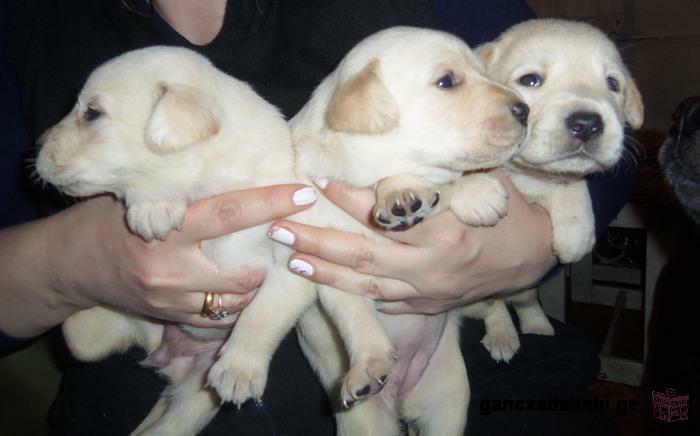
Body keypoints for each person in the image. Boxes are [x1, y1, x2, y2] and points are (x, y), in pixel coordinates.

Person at [1, 0, 636, 434]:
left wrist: (536, 241)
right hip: (140, 383)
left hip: (471, 362)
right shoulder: (29, 19)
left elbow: (575, 130)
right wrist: (64, 264)